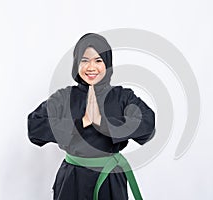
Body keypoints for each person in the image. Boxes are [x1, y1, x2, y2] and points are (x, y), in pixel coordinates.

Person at [27, 33, 156, 200]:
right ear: (76, 64)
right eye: (85, 60)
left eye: (98, 60)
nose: (91, 67)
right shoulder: (64, 97)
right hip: (72, 181)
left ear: (107, 64)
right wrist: (81, 122)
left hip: (110, 179)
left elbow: (147, 123)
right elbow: (34, 126)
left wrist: (103, 123)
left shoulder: (122, 97)